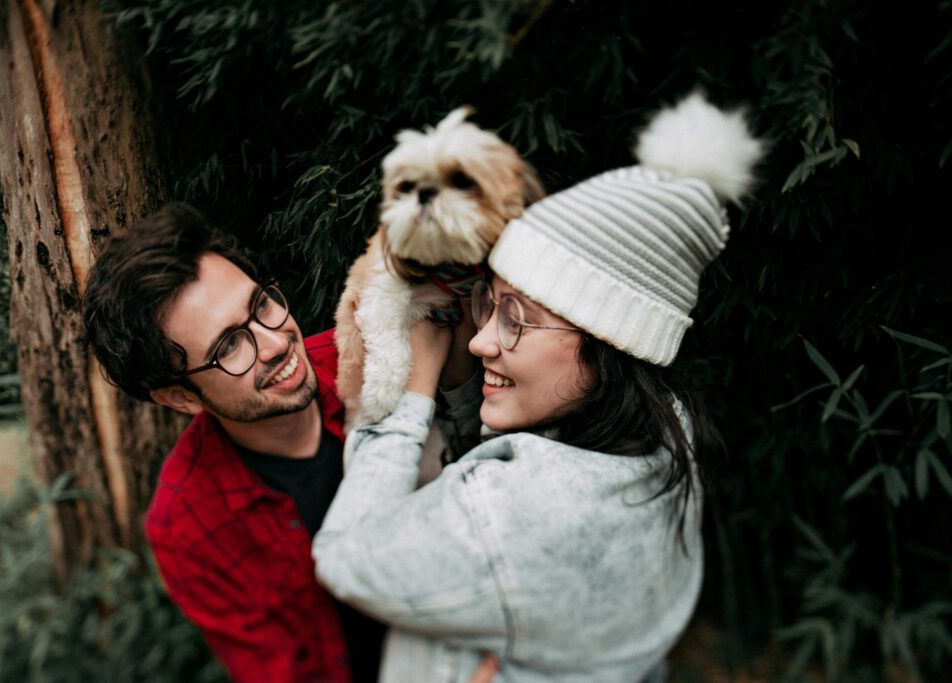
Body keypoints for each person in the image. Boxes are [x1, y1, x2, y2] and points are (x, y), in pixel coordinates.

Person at [313, 91, 763, 682]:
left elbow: (345, 557)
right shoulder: (662, 430)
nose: (479, 342)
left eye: (516, 318)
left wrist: (410, 396)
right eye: (488, 305)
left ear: (609, 347)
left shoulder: (503, 515)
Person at [82, 203, 387, 682]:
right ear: (181, 397)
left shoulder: (372, 354)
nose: (275, 343)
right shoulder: (189, 525)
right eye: (228, 347)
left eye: (261, 305)